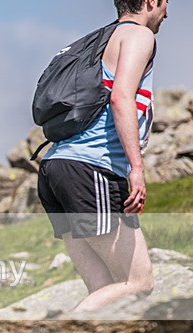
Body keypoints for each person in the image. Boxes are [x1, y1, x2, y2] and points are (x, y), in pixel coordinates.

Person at [38, 0, 168, 311]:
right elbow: (121, 96)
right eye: (165, 3)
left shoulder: (99, 40)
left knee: (107, 292)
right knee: (139, 282)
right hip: (91, 168)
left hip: (56, 168)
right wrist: (136, 167)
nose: (167, 13)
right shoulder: (139, 36)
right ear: (150, 1)